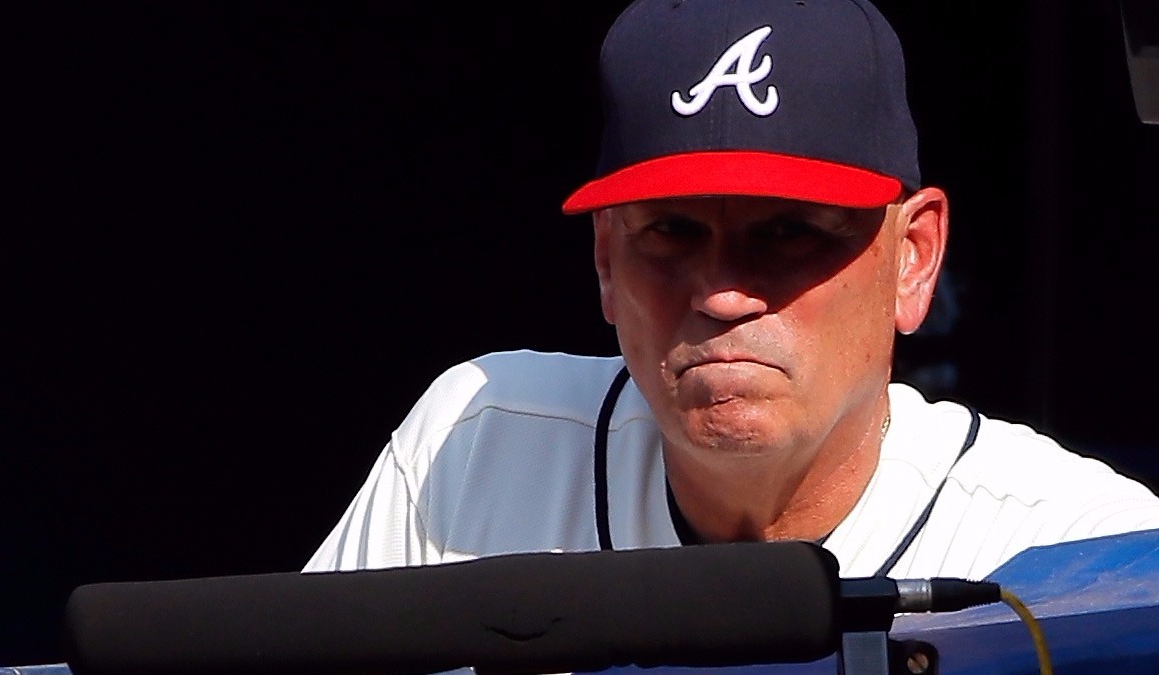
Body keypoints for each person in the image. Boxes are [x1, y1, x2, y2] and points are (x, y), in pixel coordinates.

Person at [305, 0, 1159, 580]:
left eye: (787, 232)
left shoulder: (1076, 549)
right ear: (606, 260)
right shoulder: (478, 447)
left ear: (914, 256)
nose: (721, 293)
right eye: (672, 232)